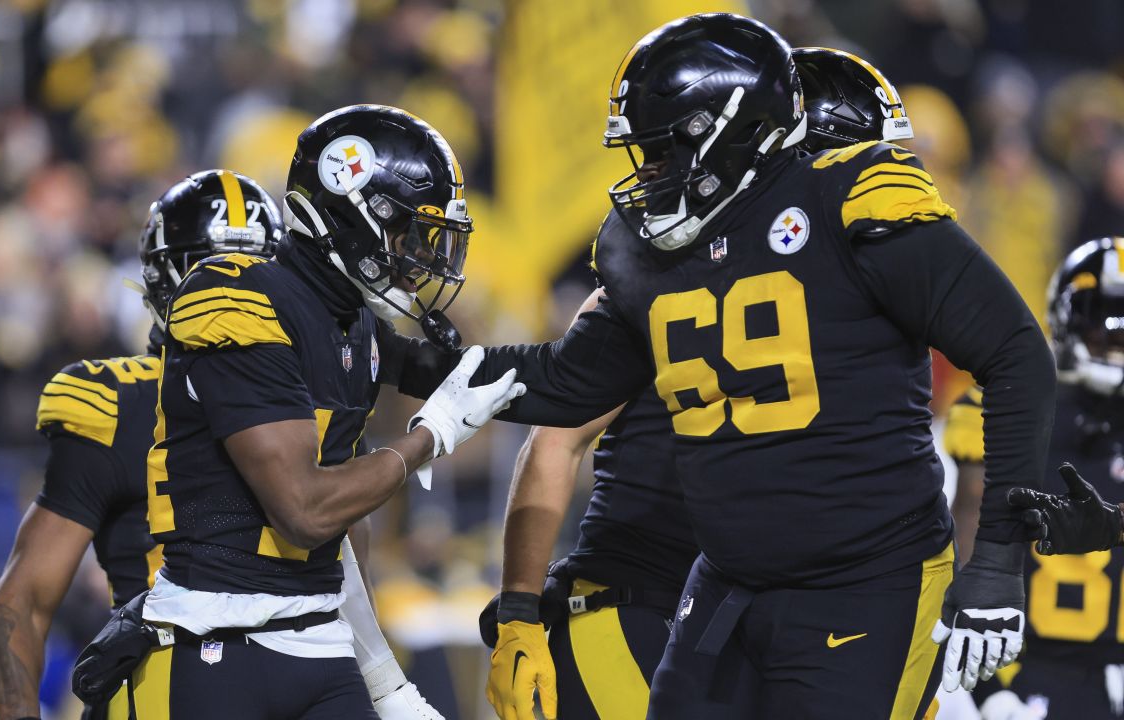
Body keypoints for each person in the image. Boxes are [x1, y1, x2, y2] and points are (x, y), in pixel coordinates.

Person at [388, 13, 1052, 719]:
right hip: (727, 581)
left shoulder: (852, 195)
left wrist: (999, 566)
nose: (648, 174)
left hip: (866, 579)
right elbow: (567, 380)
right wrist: (398, 361)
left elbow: (1016, 355)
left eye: (662, 152)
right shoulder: (651, 250)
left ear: (725, 132)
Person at [478, 45, 918, 720]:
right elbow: (557, 439)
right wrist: (515, 611)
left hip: (759, 626)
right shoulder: (672, 274)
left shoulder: (870, 302)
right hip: (637, 603)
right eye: (864, 167)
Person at [0, 169, 440, 720]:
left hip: (303, 667)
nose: (238, 287)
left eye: (255, 268)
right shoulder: (113, 407)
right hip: (167, 675)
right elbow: (23, 603)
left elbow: (348, 573)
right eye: (218, 268)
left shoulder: (311, 391)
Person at [129, 105, 525, 719]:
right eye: (405, 234)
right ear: (351, 213)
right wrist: (431, 434)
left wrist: (605, 344)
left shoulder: (351, 322)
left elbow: (343, 533)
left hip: (319, 637)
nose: (417, 256)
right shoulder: (233, 299)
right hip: (218, 638)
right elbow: (307, 513)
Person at [948, 238, 1124, 718]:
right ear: (1068, 318)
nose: (1117, 341)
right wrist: (989, 686)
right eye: (1107, 323)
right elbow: (967, 551)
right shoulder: (1015, 407)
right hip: (1032, 668)